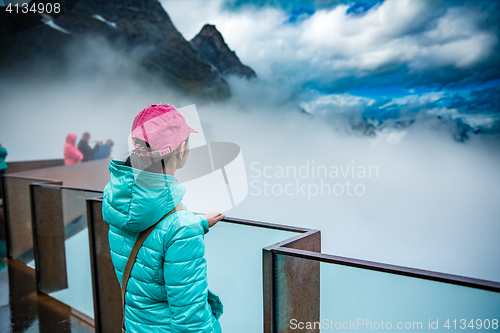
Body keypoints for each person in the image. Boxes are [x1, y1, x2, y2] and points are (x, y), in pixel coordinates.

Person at [102, 104, 224, 332]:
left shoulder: (119, 201)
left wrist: (196, 224)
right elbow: (191, 321)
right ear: (180, 150)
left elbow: (148, 250)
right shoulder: (179, 226)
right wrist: (186, 229)